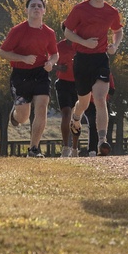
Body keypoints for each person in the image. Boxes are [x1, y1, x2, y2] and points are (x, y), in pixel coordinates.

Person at [64, 0, 124, 156]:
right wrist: (83, 42)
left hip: (101, 59)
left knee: (100, 99)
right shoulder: (80, 10)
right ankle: (75, 118)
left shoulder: (111, 12)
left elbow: (118, 31)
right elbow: (67, 32)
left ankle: (102, 141)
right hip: (82, 59)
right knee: (83, 102)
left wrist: (115, 45)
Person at [0, 0, 60, 158]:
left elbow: (55, 54)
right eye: (32, 6)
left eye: (39, 6)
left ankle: (33, 149)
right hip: (20, 75)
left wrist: (51, 63)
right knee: (23, 116)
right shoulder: (17, 30)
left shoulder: (49, 33)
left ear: (44, 11)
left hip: (41, 73)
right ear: (26, 10)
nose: (36, 8)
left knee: (41, 108)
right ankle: (15, 115)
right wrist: (23, 58)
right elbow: (2, 52)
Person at [54, 25, 78, 156]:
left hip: (79, 84)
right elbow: (48, 63)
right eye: (68, 31)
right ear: (64, 32)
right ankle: (66, 147)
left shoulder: (80, 46)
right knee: (66, 113)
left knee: (76, 117)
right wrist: (58, 67)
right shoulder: (58, 46)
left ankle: (75, 148)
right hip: (63, 83)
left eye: (73, 31)